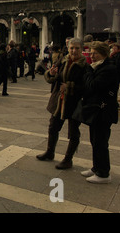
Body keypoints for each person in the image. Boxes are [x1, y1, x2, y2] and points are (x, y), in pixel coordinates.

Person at [37, 38, 89, 169]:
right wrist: (51, 73)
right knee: (53, 127)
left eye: (77, 48)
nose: (74, 50)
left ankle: (68, 159)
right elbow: (52, 77)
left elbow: (87, 86)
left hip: (74, 103)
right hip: (58, 100)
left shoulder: (85, 65)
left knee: (73, 132)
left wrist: (70, 86)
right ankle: (50, 152)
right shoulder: (63, 60)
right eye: (71, 48)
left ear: (81, 49)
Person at [75, 41, 118, 184]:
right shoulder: (97, 67)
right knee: (95, 140)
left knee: (101, 142)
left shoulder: (108, 69)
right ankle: (96, 167)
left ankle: (104, 173)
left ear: (104, 54)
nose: (92, 56)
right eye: (91, 53)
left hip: (104, 111)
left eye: (95, 53)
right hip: (96, 110)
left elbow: (92, 86)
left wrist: (88, 71)